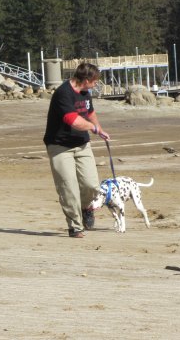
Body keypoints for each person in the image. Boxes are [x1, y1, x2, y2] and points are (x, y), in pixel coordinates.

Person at [43, 62, 110, 238]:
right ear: (86, 80)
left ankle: (86, 207)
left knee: (92, 185)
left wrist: (99, 129)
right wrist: (92, 128)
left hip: (82, 144)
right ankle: (75, 226)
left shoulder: (85, 93)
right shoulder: (63, 93)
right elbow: (74, 121)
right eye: (95, 81)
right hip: (60, 147)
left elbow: (90, 112)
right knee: (68, 188)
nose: (95, 84)